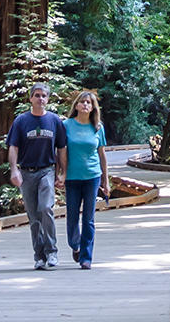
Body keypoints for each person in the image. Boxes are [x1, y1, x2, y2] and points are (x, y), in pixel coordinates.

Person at [7, 82, 68, 270]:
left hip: (47, 170)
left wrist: (62, 172)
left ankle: (52, 252)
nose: (41, 99)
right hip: (26, 172)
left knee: (46, 208)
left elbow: (62, 148)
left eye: (44, 96)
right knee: (33, 216)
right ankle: (39, 256)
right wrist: (14, 169)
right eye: (37, 95)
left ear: (48, 99)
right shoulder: (21, 121)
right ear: (31, 98)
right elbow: (13, 147)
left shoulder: (54, 120)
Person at [62, 90, 108, 270]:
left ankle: (86, 257)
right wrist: (61, 172)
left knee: (88, 218)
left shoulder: (97, 127)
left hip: (92, 176)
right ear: (76, 105)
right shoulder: (66, 125)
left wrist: (106, 181)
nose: (85, 105)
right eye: (82, 102)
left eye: (89, 102)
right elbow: (61, 151)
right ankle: (76, 245)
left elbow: (102, 155)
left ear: (93, 107)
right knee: (72, 217)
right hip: (72, 177)